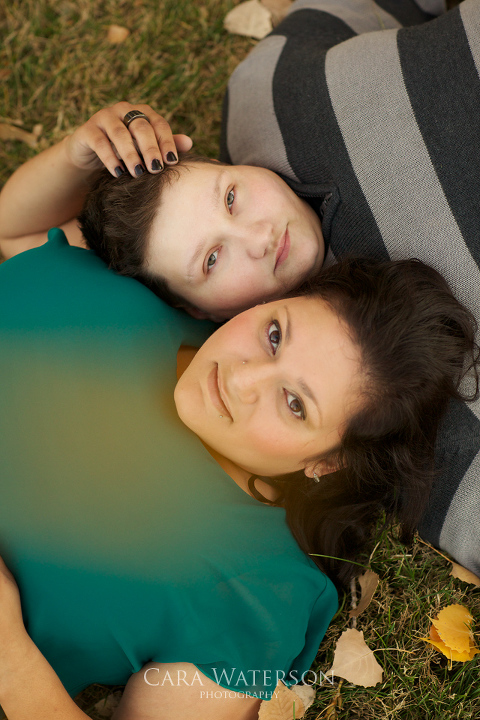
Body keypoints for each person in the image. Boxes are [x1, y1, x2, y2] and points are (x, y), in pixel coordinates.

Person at [0, 223, 477, 718]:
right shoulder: (141, 280)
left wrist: (9, 659)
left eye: (294, 403)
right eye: (274, 334)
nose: (240, 376)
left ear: (327, 462)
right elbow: (18, 228)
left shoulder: (259, 594)